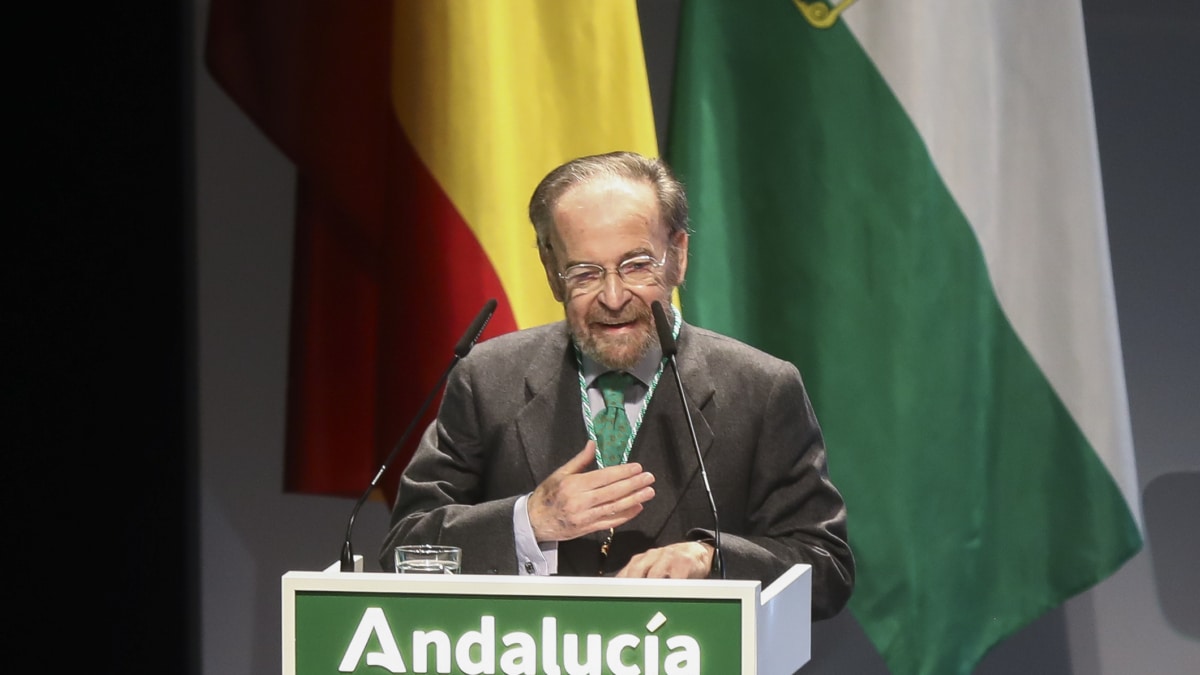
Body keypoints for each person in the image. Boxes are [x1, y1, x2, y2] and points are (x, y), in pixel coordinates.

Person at [379, 151, 854, 619]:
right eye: (585, 272)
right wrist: (528, 521)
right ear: (551, 272)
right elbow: (406, 545)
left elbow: (826, 567)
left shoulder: (761, 389)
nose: (612, 297)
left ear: (679, 257)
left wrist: (710, 558)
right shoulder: (487, 378)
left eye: (636, 265)